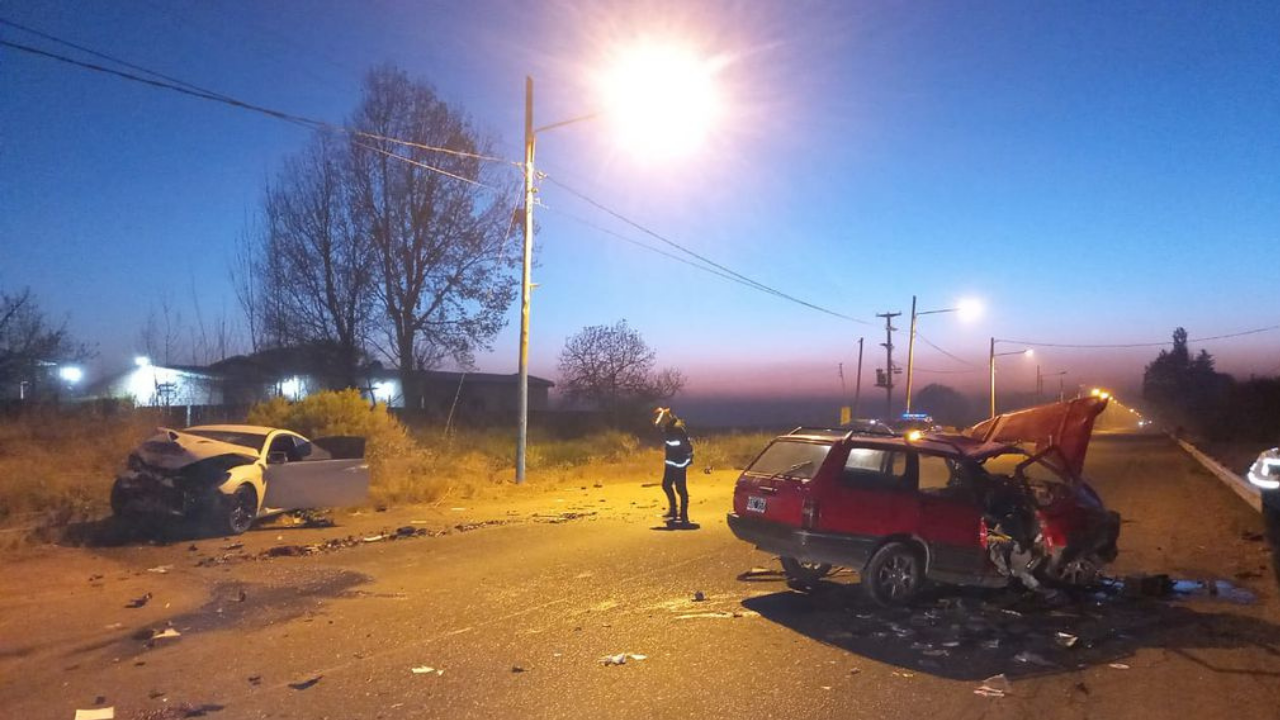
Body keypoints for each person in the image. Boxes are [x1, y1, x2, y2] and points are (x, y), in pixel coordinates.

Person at [654, 407, 694, 525]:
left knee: (681, 490)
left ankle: (684, 516)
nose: (658, 422)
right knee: (666, 485)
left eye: (659, 420)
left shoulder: (677, 429)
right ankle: (673, 511)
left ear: (665, 419)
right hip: (670, 463)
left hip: (679, 464)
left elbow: (688, 447)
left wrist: (687, 459)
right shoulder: (668, 429)